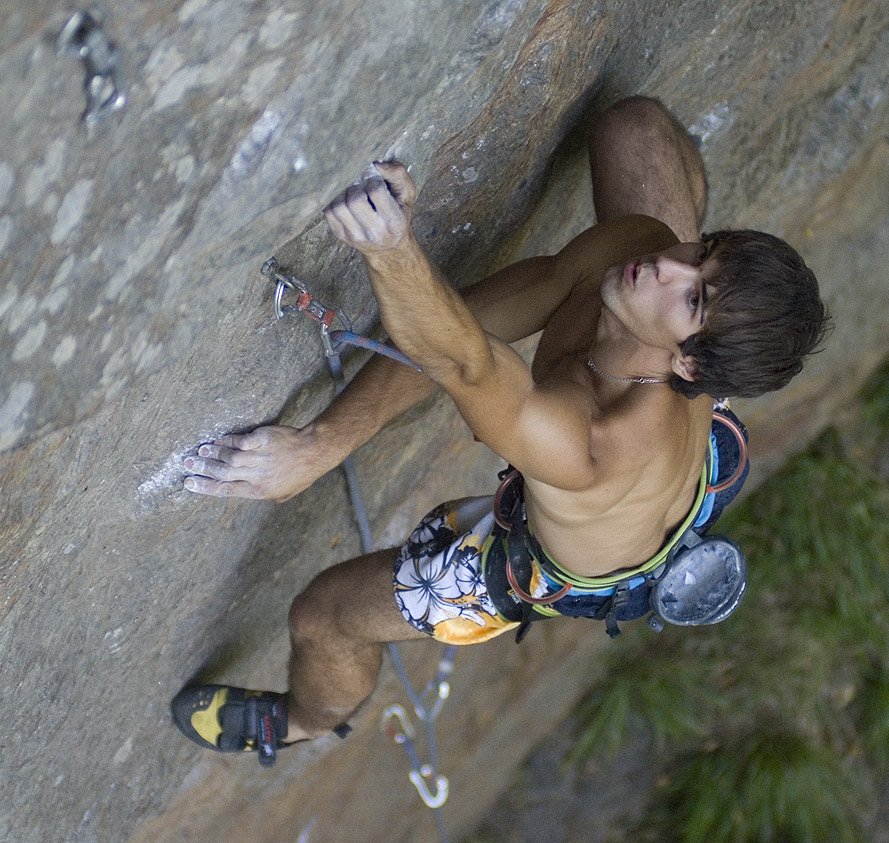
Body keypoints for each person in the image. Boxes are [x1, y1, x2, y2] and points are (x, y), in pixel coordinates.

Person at [171, 97, 829, 762]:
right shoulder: (644, 255)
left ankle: (301, 721)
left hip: (556, 553)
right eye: (704, 252)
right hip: (667, 455)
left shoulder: (589, 444)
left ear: (691, 366)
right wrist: (399, 260)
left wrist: (390, 252)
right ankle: (715, 290)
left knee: (323, 617)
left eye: (695, 297)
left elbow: (463, 361)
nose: (667, 264)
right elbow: (482, 317)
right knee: (632, 130)